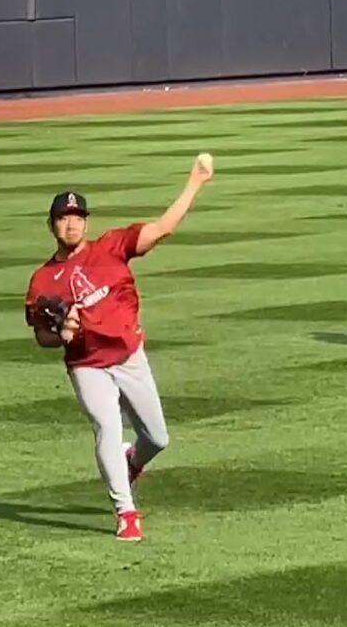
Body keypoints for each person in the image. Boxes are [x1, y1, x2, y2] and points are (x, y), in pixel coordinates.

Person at [23, 154, 215, 541]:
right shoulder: (43, 280)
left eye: (77, 216)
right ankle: (126, 512)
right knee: (107, 427)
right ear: (51, 224)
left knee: (158, 438)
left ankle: (132, 462)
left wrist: (195, 182)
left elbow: (162, 228)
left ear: (87, 222)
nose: (71, 223)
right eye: (63, 217)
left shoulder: (112, 246)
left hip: (129, 356)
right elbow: (41, 334)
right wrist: (58, 337)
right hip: (87, 365)